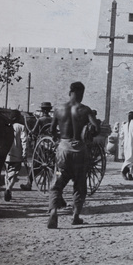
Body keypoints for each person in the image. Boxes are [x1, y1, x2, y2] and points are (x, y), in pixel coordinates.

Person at [47, 82, 100, 229]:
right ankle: (75, 216)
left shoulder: (58, 109)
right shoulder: (85, 110)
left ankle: (53, 211)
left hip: (62, 151)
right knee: (80, 183)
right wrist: (88, 133)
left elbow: (52, 130)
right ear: (81, 93)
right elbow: (97, 128)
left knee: (57, 182)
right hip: (80, 152)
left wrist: (59, 138)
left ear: (70, 92)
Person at [4, 122, 28, 202]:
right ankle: (9, 188)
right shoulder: (21, 127)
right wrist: (25, 153)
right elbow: (24, 141)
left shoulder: (6, 125)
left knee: (7, 173)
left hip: (7, 154)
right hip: (17, 154)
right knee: (15, 173)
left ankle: (7, 189)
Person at [120, 111, 133, 181]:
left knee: (128, 158)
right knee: (131, 158)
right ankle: (124, 170)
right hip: (132, 143)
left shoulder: (125, 125)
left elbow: (121, 135)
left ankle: (130, 174)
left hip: (126, 144)